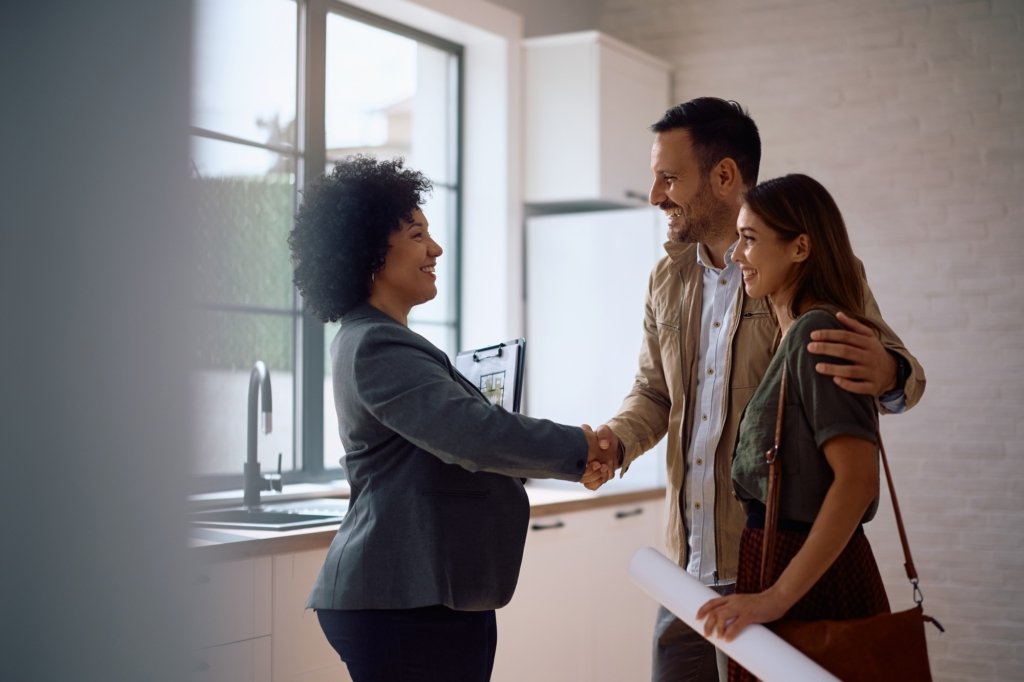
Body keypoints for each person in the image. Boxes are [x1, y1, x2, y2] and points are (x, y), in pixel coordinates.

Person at [591, 98, 925, 682]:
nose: (655, 196)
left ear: (724, 176)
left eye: (669, 178)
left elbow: (894, 376)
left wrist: (892, 373)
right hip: (685, 564)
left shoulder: (803, 271)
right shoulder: (666, 278)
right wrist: (614, 444)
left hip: (765, 563)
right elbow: (653, 393)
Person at [289, 155, 613, 682]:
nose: (435, 249)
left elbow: (464, 437)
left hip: (419, 597)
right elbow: (474, 435)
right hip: (404, 599)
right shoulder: (375, 343)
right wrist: (583, 447)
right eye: (417, 234)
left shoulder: (378, 339)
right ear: (369, 250)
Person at [696, 173, 893, 680]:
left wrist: (776, 598)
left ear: (801, 247)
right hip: (787, 573)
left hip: (807, 586)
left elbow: (858, 481)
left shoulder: (816, 330)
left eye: (751, 238)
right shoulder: (795, 333)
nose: (737, 254)